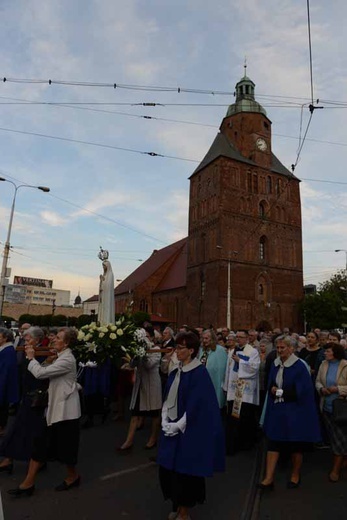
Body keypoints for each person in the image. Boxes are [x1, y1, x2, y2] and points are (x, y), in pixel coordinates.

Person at [157, 331, 225, 520]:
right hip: (172, 427)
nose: (176, 351)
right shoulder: (176, 370)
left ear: (191, 350)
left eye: (180, 348)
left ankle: (185, 511)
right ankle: (176, 504)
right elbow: (168, 396)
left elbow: (198, 405)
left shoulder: (199, 373)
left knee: (185, 471)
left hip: (189, 431)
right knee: (169, 468)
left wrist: (179, 425)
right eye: (177, 347)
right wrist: (164, 419)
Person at [7, 327, 81, 496]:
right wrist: (47, 359)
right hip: (54, 408)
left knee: (66, 449)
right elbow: (46, 369)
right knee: (40, 444)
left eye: (58, 338)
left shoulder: (67, 359)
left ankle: (73, 476)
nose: (53, 340)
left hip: (65, 412)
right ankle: (28, 483)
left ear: (67, 343)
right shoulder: (59, 356)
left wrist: (31, 357)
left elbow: (41, 374)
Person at [260, 335, 321, 489]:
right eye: (278, 348)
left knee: (295, 445)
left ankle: (295, 475)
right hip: (278, 410)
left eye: (283, 348)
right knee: (273, 443)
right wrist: (273, 388)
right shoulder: (275, 363)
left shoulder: (300, 366)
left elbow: (300, 392)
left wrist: (278, 392)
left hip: (295, 411)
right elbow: (271, 382)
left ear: (292, 348)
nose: (279, 351)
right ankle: (268, 478)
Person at [0, 327, 48, 476]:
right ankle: (10, 459)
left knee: (30, 431)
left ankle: (35, 459)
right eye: (25, 340)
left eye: (28, 340)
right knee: (19, 429)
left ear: (38, 340)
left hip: (36, 399)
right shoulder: (31, 352)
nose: (25, 342)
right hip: (27, 396)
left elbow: (40, 373)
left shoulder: (42, 353)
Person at [118, 325, 162, 451]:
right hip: (140, 386)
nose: (146, 339)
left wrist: (143, 352)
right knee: (135, 413)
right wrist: (135, 355)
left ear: (152, 338)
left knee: (154, 414)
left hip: (152, 386)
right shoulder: (139, 348)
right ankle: (129, 441)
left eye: (147, 337)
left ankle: (153, 438)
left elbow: (149, 365)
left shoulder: (156, 349)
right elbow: (133, 364)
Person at [223, 329, 260, 455]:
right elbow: (228, 369)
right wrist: (226, 386)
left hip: (245, 390)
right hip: (234, 388)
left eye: (240, 337)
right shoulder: (233, 350)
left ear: (247, 338)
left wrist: (241, 361)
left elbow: (255, 367)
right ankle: (233, 443)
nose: (237, 339)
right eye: (236, 337)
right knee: (233, 417)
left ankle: (246, 444)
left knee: (245, 417)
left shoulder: (252, 351)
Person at [315, 342, 347, 482]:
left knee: (339, 439)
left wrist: (338, 389)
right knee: (335, 437)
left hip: (341, 408)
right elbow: (318, 381)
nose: (325, 353)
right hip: (327, 407)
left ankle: (335, 470)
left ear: (335, 353)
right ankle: (343, 459)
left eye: (327, 351)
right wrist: (321, 389)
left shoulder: (345, 365)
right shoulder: (323, 364)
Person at [198, 329, 227, 409]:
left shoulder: (220, 350)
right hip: (202, 382)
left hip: (215, 382)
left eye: (206, 338)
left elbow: (223, 370)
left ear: (212, 339)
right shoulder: (202, 350)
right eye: (203, 338)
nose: (204, 340)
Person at [0, 328, 19, 436]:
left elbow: (6, 369)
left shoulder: (8, 350)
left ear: (5, 338)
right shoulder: (5, 349)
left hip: (4, 383)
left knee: (2, 408)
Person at [98, 256, 115, 326]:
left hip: (107, 297)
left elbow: (108, 286)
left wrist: (103, 281)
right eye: (103, 266)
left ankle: (107, 324)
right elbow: (101, 287)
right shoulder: (104, 275)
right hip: (103, 297)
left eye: (104, 266)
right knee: (102, 311)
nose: (103, 268)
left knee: (107, 310)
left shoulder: (110, 275)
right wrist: (101, 281)